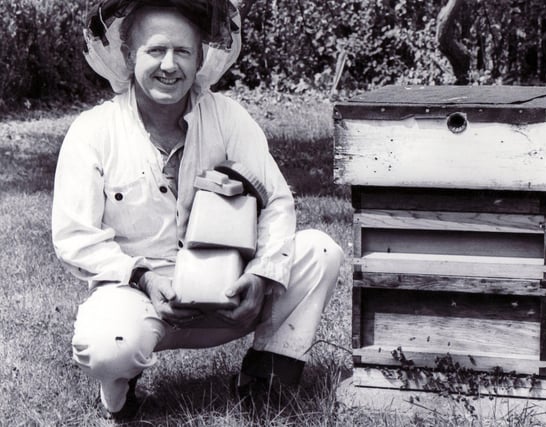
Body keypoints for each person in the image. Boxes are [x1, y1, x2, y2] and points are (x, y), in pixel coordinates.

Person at [51, 0, 343, 420]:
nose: (169, 65)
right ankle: (120, 390)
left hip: (228, 293)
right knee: (107, 344)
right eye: (155, 51)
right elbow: (74, 235)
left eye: (182, 51)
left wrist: (260, 276)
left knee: (320, 252)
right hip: (140, 298)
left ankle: (265, 378)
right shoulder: (92, 132)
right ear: (129, 56)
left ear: (201, 57)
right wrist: (144, 278)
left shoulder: (229, 117)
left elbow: (277, 202)